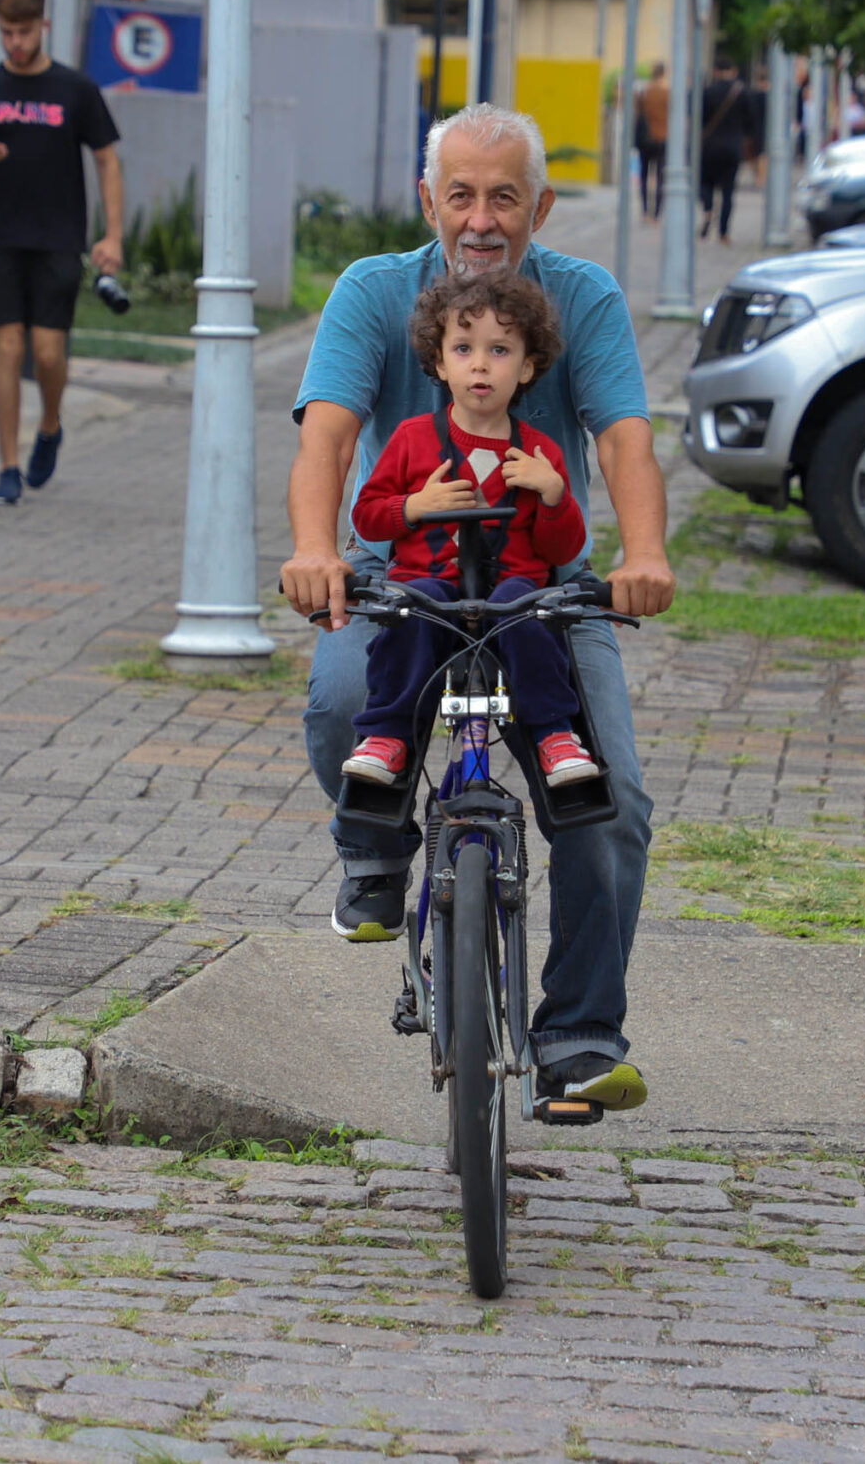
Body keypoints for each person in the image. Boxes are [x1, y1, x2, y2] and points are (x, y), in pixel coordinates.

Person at [282, 102, 676, 1115]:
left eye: (505, 195)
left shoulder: (581, 299)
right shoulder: (374, 292)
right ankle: (375, 858)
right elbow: (325, 441)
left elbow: (625, 439)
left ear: (540, 205)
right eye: (460, 193)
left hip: (542, 592)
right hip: (399, 583)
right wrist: (318, 550)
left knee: (612, 802)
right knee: (336, 705)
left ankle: (580, 1037)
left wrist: (643, 554)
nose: (481, 217)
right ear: (428, 201)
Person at [340, 270, 601, 796]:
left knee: (532, 614)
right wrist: (412, 507)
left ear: (527, 367)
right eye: (463, 347)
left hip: (510, 595)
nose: (480, 364)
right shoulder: (413, 440)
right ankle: (387, 736)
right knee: (409, 613)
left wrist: (553, 495)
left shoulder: (540, 452)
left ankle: (554, 735)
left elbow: (561, 548)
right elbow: (367, 516)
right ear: (439, 362)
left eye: (500, 350)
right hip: (429, 584)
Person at [0, 0, 124, 507]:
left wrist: (112, 236)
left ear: (43, 26)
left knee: (48, 352)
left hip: (56, 236)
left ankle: (49, 424)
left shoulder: (74, 90)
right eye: (6, 32)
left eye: (23, 32)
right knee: (7, 344)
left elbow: (107, 159)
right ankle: (6, 465)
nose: (15, 43)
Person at [698, 56, 751, 245]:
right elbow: (749, 122)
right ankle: (723, 233)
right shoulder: (742, 92)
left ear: (715, 71)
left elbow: (699, 119)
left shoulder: (707, 92)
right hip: (732, 147)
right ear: (732, 70)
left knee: (705, 182)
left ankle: (708, 209)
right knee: (728, 191)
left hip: (709, 147)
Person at [634, 63, 670, 221]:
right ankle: (656, 214)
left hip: (645, 138)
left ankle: (644, 211)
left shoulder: (644, 92)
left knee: (644, 175)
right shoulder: (668, 93)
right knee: (661, 177)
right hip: (663, 138)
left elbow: (637, 114)